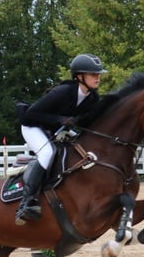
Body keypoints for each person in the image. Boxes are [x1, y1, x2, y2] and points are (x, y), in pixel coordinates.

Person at [14, 53, 107, 225]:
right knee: (47, 153)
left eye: (98, 74)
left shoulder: (93, 98)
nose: (97, 77)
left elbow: (86, 121)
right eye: (93, 74)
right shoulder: (63, 92)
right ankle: (26, 203)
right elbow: (32, 113)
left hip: (56, 130)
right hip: (33, 126)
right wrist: (60, 120)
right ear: (80, 76)